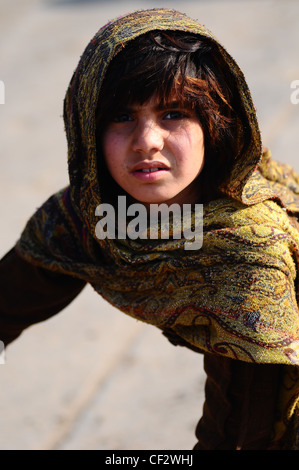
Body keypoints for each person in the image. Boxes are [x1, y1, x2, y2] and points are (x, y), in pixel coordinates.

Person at [1, 8, 299, 450]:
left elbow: (241, 432)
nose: (147, 141)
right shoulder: (89, 215)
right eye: (121, 117)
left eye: (174, 113)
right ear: (87, 129)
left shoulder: (247, 254)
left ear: (213, 124)